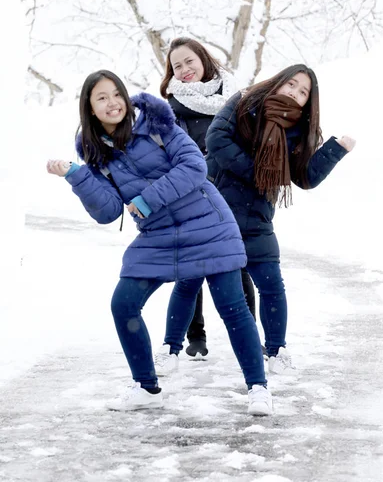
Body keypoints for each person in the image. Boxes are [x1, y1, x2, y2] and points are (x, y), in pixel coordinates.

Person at [46, 69, 272, 415]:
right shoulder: (98, 157)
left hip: (209, 224)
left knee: (232, 307)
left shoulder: (156, 126)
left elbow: (195, 166)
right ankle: (146, 387)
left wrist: (148, 199)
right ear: (90, 108)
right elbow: (107, 211)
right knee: (124, 303)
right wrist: (76, 176)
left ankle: (258, 388)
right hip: (159, 236)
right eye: (101, 98)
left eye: (116, 94)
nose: (112, 103)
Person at [203, 64, 356, 374]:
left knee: (272, 286)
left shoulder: (298, 130)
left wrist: (335, 150)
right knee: (209, 289)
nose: (295, 93)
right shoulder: (245, 101)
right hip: (216, 212)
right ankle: (175, 347)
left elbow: (304, 177)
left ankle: (277, 350)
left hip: (258, 217)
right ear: (279, 81)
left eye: (303, 92)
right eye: (292, 84)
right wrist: (259, 174)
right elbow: (216, 140)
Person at [159, 37, 255, 361]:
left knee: (238, 264)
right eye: (177, 66)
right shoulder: (170, 109)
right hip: (193, 196)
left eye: (189, 61)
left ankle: (250, 331)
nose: (185, 70)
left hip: (235, 192)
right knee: (192, 269)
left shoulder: (237, 98)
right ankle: (194, 336)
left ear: (204, 59)